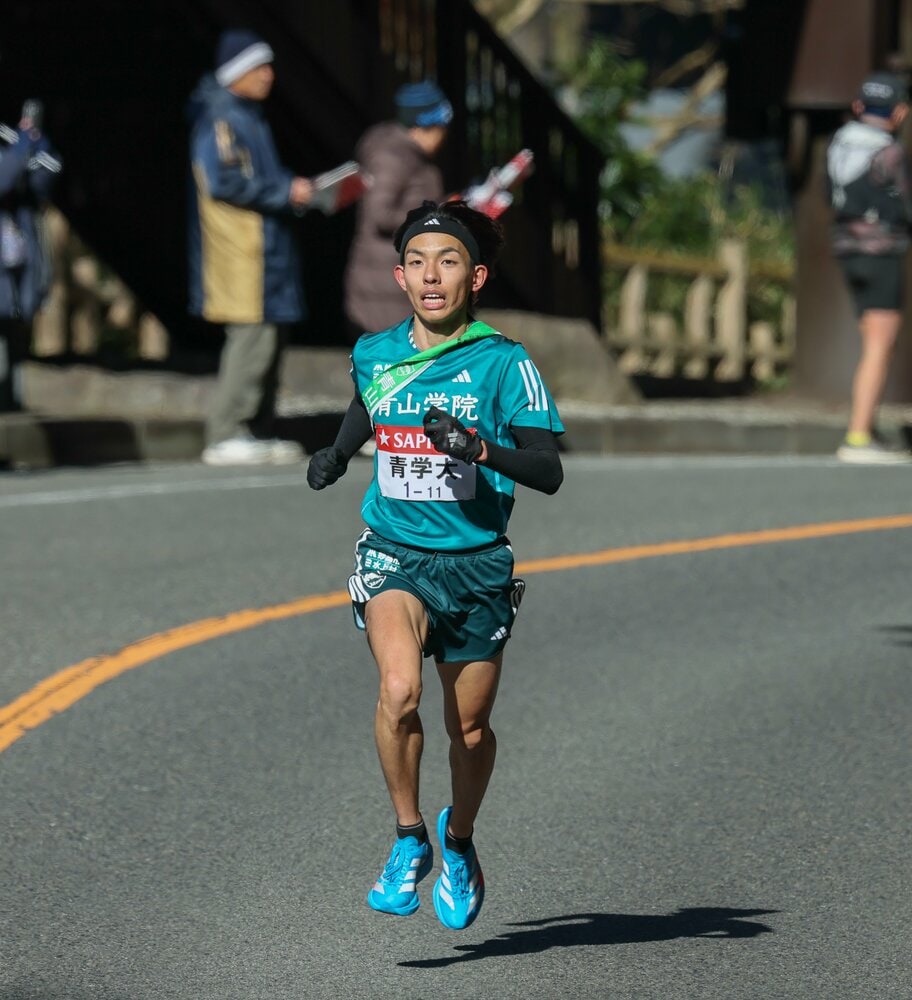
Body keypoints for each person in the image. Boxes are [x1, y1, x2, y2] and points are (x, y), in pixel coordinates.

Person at [305, 199, 565, 929]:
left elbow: (547, 470)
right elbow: (369, 403)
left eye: (447, 262)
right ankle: (408, 837)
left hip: (475, 565)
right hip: (395, 551)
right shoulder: (375, 352)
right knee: (399, 691)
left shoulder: (504, 362)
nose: (430, 275)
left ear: (474, 277)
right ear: (399, 276)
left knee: (470, 731)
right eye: (417, 262)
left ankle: (459, 840)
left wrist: (477, 449)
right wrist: (338, 452)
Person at [187, 29, 311, 465]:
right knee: (251, 336)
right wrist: (284, 191)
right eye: (259, 67)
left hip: (264, 244)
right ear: (235, 72)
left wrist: (288, 189)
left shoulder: (248, 115)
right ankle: (226, 431)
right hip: (241, 248)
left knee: (271, 336)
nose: (268, 75)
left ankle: (256, 429)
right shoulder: (221, 116)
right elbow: (222, 181)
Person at [827, 71, 912, 464]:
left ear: (858, 106)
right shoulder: (889, 152)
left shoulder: (838, 143)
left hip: (846, 248)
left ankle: (865, 427)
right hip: (881, 252)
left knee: (870, 340)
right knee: (879, 347)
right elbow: (911, 205)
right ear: (900, 112)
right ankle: (859, 434)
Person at [345, 81, 451, 337]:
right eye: (441, 127)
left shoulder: (413, 157)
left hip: (397, 283)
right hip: (382, 290)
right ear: (425, 125)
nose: (444, 135)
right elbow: (380, 214)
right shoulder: (391, 157)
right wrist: (435, 214)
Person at [0, 101, 61, 412]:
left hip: (18, 254)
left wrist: (33, 146)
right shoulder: (13, 142)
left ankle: (10, 398)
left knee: (16, 325)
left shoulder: (27, 143)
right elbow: (4, 179)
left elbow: (47, 174)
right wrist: (22, 146)